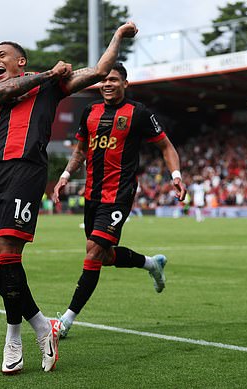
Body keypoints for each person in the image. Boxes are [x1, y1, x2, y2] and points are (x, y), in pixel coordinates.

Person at [0, 22, 138, 375]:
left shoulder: (49, 90)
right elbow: (2, 93)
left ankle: (13, 336)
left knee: (7, 254)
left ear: (20, 60)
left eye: (1, 55)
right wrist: (48, 73)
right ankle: (42, 326)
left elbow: (100, 70)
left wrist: (118, 38)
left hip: (26, 171)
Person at [52, 62, 186, 338]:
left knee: (93, 252)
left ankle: (65, 321)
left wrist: (175, 175)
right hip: (92, 195)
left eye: (114, 80)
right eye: (104, 80)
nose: (108, 84)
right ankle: (152, 264)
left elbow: (166, 145)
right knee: (106, 256)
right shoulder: (89, 111)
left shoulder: (138, 113)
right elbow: (80, 151)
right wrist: (65, 175)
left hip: (119, 195)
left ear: (126, 84)